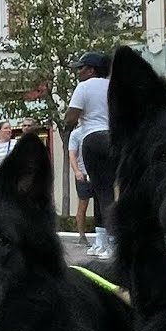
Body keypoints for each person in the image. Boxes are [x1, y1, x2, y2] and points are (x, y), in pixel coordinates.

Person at [64, 52, 115, 258]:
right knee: (106, 189)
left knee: (101, 192)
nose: (78, 72)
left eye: (81, 68)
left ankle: (111, 243)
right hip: (112, 138)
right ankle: (102, 241)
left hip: (92, 138)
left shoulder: (84, 87)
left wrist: (70, 119)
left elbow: (71, 116)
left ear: (91, 70)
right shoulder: (112, 86)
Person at [68, 125, 93, 245]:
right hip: (83, 174)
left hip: (97, 174)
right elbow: (72, 154)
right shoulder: (76, 134)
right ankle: (81, 234)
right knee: (83, 204)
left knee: (102, 204)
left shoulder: (97, 129)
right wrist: (77, 171)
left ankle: (105, 235)